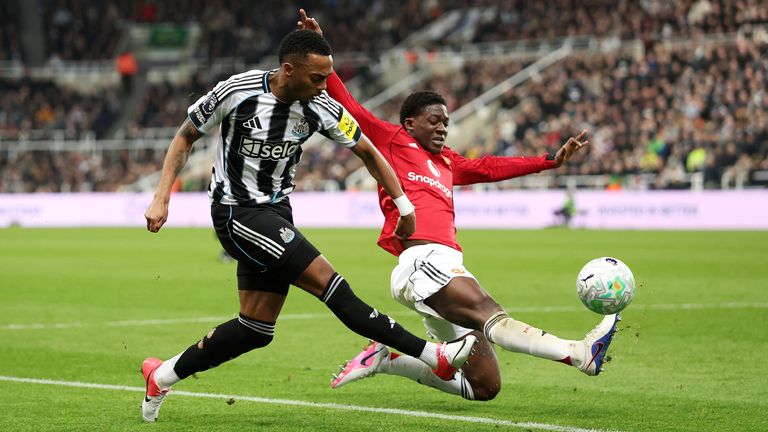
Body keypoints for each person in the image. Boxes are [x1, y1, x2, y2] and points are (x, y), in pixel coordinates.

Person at [140, 29, 477, 422]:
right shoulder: (238, 91)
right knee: (330, 284)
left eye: (326, 78)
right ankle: (432, 354)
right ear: (288, 70)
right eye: (317, 78)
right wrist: (162, 196)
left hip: (278, 212)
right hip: (236, 211)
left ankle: (161, 374)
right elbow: (185, 137)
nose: (323, 85)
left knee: (256, 328)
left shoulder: (320, 106)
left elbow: (367, 150)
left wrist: (403, 205)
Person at [297, 10, 620, 401]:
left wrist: (548, 161)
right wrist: (320, 47)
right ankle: (578, 354)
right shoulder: (392, 141)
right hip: (421, 260)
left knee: (484, 385)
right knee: (488, 310)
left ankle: (389, 358)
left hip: (444, 264)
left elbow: (490, 167)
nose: (442, 127)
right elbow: (348, 103)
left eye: (446, 122)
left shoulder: (449, 162)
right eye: (434, 120)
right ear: (410, 123)